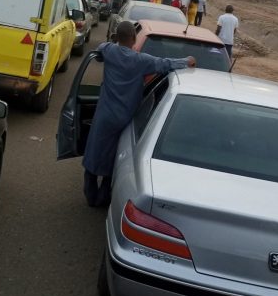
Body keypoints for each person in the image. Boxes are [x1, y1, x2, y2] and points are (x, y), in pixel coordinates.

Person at [83, 21, 196, 207]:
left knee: (95, 150)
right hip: (127, 118)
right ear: (134, 39)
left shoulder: (110, 51)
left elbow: (100, 50)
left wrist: (106, 47)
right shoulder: (141, 61)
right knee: (116, 155)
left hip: (104, 115)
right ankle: (104, 194)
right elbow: (166, 64)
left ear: (117, 37)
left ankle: (90, 193)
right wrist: (188, 60)